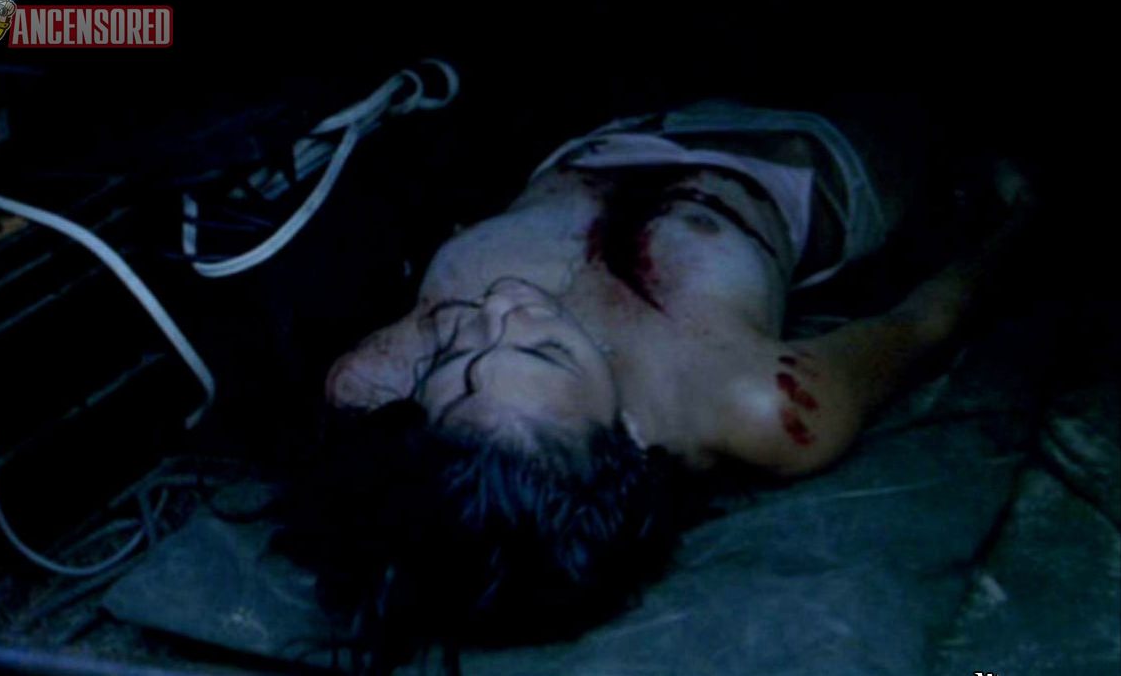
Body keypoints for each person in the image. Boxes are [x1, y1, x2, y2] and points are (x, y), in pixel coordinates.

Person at [289, 100, 1035, 670]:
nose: (500, 309)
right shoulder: (758, 405)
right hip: (820, 142)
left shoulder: (378, 381)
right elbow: (927, 323)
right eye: (546, 351)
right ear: (627, 444)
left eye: (458, 354)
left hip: (609, 114)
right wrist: (1026, 222)